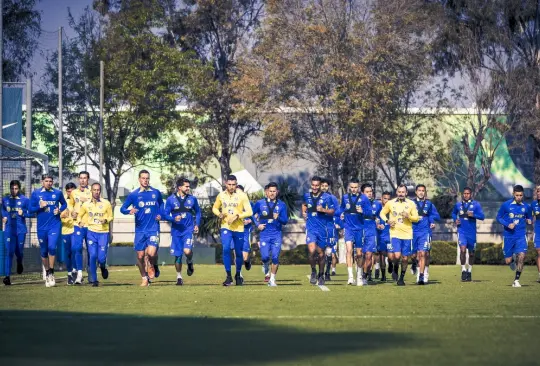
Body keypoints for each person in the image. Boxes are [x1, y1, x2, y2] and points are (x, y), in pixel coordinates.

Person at [120, 170, 164, 287]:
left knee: (151, 253)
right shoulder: (134, 195)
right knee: (140, 256)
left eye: (147, 178)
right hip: (140, 230)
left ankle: (152, 265)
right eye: (143, 178)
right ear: (139, 179)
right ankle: (144, 278)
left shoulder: (156, 193)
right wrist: (129, 211)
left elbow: (162, 204)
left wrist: (161, 214)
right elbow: (122, 209)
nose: (145, 180)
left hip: (153, 228)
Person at [212, 175, 253, 286]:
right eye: (229, 184)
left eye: (233, 184)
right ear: (226, 184)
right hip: (226, 227)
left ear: (236, 184)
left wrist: (238, 216)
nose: (231, 187)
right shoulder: (221, 195)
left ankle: (238, 274)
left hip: (239, 228)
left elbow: (250, 212)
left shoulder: (242, 195)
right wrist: (219, 214)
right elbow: (215, 208)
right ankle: (228, 276)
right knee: (226, 249)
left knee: (239, 253)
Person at [29, 174, 68, 287]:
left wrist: (59, 210)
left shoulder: (57, 193)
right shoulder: (36, 193)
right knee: (44, 251)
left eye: (50, 181)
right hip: (41, 227)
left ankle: (51, 272)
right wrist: (40, 207)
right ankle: (46, 272)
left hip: (54, 225)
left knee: (52, 247)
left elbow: (64, 204)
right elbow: (31, 209)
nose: (49, 183)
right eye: (46, 181)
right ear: (42, 182)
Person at [379, 184, 419, 286]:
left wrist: (409, 216)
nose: (401, 194)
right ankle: (395, 267)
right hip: (395, 233)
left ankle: (401, 278)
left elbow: (416, 218)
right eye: (399, 192)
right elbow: (382, 214)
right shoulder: (390, 203)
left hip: (407, 234)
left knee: (405, 258)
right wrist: (387, 221)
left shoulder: (411, 204)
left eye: (403, 192)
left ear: (406, 193)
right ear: (397, 193)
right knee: (396, 256)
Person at [164, 177, 201, 286]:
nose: (188, 188)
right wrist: (173, 218)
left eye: (189, 186)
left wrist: (197, 224)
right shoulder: (170, 199)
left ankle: (189, 262)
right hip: (176, 232)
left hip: (188, 230)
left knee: (187, 251)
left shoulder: (192, 199)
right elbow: (165, 214)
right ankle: (179, 277)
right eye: (186, 186)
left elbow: (198, 212)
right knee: (178, 256)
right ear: (179, 187)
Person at [496, 185, 532, 288]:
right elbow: (498, 217)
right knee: (508, 260)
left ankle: (516, 280)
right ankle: (511, 260)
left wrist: (529, 221)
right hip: (508, 236)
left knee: (522, 256)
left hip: (521, 235)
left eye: (521, 195)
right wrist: (507, 224)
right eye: (517, 195)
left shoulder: (526, 207)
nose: (519, 197)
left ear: (523, 194)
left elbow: (529, 218)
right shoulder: (506, 205)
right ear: (513, 194)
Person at [77, 183, 113, 287]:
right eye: (94, 190)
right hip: (91, 232)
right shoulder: (86, 204)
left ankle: (102, 267)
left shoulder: (106, 203)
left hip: (103, 233)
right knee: (92, 256)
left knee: (101, 258)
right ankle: (94, 280)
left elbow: (111, 216)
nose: (96, 192)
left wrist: (106, 219)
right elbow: (80, 215)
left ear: (100, 191)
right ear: (91, 191)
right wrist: (80, 222)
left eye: (98, 190)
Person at [253, 182, 288, 286]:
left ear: (277, 192)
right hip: (264, 234)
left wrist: (279, 218)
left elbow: (285, 221)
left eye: (274, 191)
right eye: (270, 191)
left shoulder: (282, 205)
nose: (272, 193)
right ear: (266, 192)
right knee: (265, 257)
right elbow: (251, 214)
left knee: (276, 257)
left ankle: (272, 279)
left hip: (276, 234)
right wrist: (257, 225)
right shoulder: (260, 203)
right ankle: (265, 264)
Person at [302, 176, 335, 286]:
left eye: (317, 185)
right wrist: (304, 213)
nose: (315, 187)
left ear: (320, 185)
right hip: (311, 229)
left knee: (321, 254)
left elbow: (332, 211)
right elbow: (304, 205)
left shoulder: (327, 197)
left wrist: (323, 210)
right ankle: (313, 271)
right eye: (313, 185)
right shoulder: (307, 196)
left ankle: (321, 274)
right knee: (311, 251)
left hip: (323, 229)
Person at [452, 187, 485, 282]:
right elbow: (454, 213)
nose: (466, 195)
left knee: (471, 253)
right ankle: (463, 270)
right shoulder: (458, 205)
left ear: (471, 194)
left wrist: (473, 215)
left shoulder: (476, 205)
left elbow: (482, 217)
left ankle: (469, 271)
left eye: (468, 193)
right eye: (465, 193)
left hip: (472, 233)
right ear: (463, 194)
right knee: (462, 250)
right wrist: (455, 219)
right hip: (461, 231)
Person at [1, 180, 30, 286]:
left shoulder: (25, 200)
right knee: (9, 252)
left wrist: (24, 214)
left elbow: (30, 212)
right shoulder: (5, 200)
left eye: (16, 188)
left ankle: (19, 261)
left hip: (21, 230)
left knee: (19, 251)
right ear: (10, 189)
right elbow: (3, 210)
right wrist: (4, 216)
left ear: (19, 188)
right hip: (9, 230)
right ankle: (7, 277)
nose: (14, 190)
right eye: (12, 188)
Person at [412, 184, 440, 285]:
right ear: (416, 192)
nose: (421, 192)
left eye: (423, 190)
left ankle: (422, 275)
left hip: (425, 232)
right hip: (413, 232)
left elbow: (437, 215)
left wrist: (432, 220)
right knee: (414, 255)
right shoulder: (411, 203)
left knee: (423, 253)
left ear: (425, 192)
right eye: (419, 190)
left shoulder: (429, 204)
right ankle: (414, 264)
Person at [339, 178, 365, 285]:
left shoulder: (363, 198)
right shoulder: (345, 197)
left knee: (359, 254)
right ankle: (350, 277)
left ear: (358, 187)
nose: (354, 189)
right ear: (349, 187)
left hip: (359, 229)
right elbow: (341, 209)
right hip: (348, 228)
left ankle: (359, 276)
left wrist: (363, 211)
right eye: (352, 187)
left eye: (355, 187)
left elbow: (369, 212)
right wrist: (340, 214)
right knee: (349, 250)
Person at [70, 171, 92, 283]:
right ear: (79, 179)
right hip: (77, 225)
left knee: (90, 251)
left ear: (88, 180)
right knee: (77, 248)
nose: (83, 180)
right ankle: (79, 274)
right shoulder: (74, 193)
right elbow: (70, 205)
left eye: (85, 178)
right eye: (81, 178)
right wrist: (71, 212)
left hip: (90, 225)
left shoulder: (92, 192)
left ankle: (91, 271)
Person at [321, 178, 339, 281]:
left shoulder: (332, 198)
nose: (324, 187)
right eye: (322, 185)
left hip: (329, 226)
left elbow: (337, 211)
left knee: (328, 251)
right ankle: (319, 272)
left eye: (326, 186)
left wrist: (327, 211)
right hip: (318, 227)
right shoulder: (316, 197)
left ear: (328, 187)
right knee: (319, 251)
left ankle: (327, 272)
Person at [60, 182, 78, 285]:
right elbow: (57, 215)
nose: (70, 193)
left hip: (76, 230)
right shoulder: (63, 202)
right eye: (68, 191)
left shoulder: (78, 200)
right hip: (66, 230)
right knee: (68, 253)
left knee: (75, 250)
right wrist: (61, 215)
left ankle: (76, 271)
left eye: (72, 191)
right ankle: (69, 274)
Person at [237, 185, 254, 272]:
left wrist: (249, 221)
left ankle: (247, 261)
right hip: (235, 231)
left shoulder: (249, 204)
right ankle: (239, 275)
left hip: (245, 232)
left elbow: (254, 217)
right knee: (236, 254)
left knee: (244, 257)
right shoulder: (232, 204)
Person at [375, 191, 392, 282]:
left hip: (391, 235)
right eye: (385, 198)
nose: (387, 200)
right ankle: (383, 275)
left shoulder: (393, 210)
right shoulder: (378, 209)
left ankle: (390, 264)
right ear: (382, 199)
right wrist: (376, 225)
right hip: (380, 235)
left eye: (389, 199)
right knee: (381, 254)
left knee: (391, 256)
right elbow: (373, 218)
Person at [532, 185, 540, 283]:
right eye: (538, 192)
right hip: (538, 231)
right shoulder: (534, 204)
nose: (538, 194)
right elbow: (529, 216)